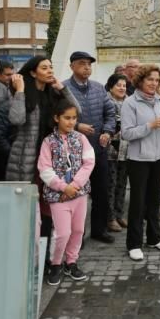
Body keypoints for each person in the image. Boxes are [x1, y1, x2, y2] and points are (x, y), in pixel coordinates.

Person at [120, 64, 160, 261]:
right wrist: (150, 125)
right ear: (140, 81)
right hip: (138, 159)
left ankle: (154, 238)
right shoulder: (130, 102)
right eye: (150, 79)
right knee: (138, 201)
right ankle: (134, 243)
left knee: (154, 199)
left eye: (157, 80)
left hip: (159, 156)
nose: (154, 83)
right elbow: (126, 133)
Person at [38, 97, 95, 286]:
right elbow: (44, 169)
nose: (71, 122)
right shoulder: (48, 142)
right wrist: (64, 187)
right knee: (62, 233)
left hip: (79, 194)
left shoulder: (81, 139)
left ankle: (72, 261)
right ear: (56, 118)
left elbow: (89, 162)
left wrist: (75, 185)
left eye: (74, 118)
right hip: (58, 196)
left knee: (78, 230)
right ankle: (55, 264)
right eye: (67, 118)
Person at [63, 51, 117, 244]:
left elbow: (110, 113)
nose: (87, 67)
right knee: (76, 195)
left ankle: (99, 230)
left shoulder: (98, 88)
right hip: (73, 153)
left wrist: (108, 132)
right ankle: (76, 235)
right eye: (82, 63)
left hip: (98, 150)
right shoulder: (63, 88)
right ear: (72, 66)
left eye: (89, 64)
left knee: (101, 192)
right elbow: (55, 117)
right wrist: (77, 126)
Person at [6, 57, 76, 183]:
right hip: (26, 155)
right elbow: (17, 119)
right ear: (33, 73)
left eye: (51, 67)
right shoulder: (20, 92)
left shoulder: (53, 93)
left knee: (49, 196)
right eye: (44, 68)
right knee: (27, 197)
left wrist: (62, 88)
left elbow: (76, 111)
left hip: (51, 152)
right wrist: (20, 90)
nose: (50, 71)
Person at [105, 74, 130, 232]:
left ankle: (120, 214)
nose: (122, 88)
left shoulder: (130, 102)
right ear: (111, 86)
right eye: (118, 85)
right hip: (110, 150)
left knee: (122, 183)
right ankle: (110, 217)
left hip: (127, 149)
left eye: (124, 85)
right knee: (111, 184)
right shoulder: (106, 102)